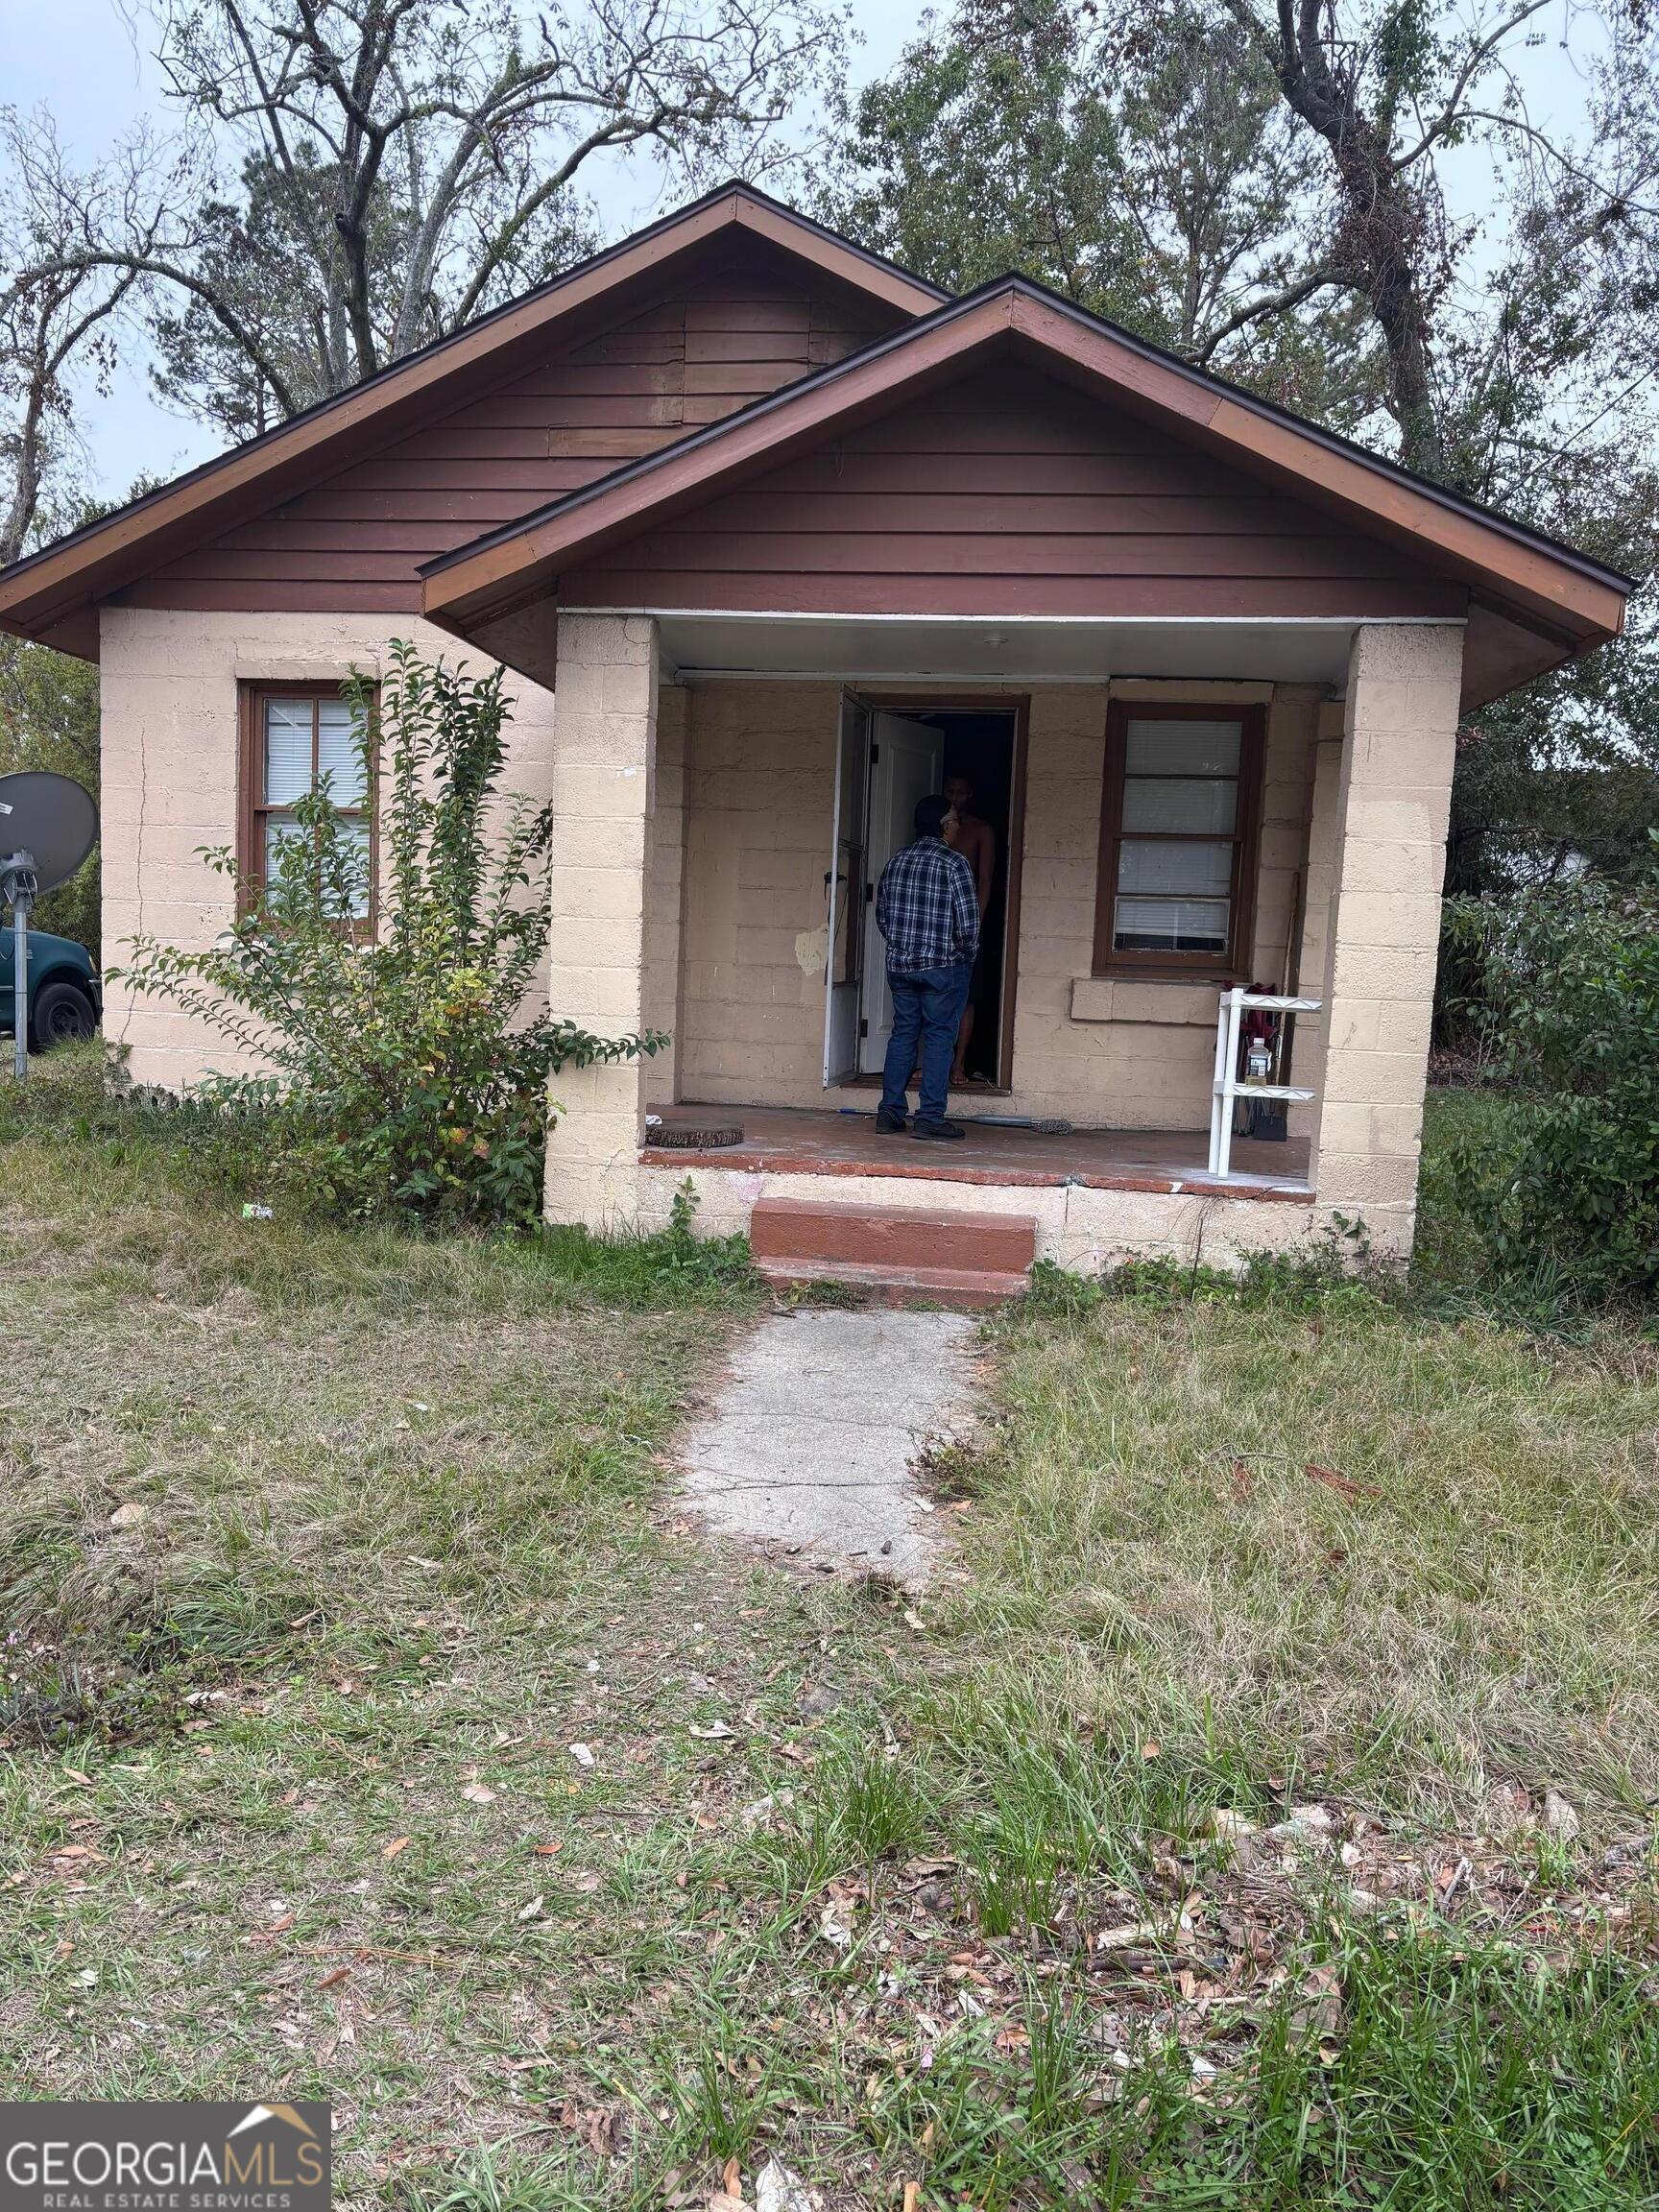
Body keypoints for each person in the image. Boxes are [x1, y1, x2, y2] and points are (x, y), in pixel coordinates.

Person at [874, 792, 979, 1140]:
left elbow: (883, 918)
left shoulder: (896, 861)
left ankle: (889, 1113)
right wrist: (966, 954)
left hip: (902, 965)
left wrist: (904, 945)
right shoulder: (954, 863)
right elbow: (967, 924)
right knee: (938, 1038)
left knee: (903, 1034)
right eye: (955, 821)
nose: (957, 826)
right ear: (945, 826)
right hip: (942, 966)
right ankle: (930, 1117)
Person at [942, 772, 996, 1087]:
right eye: (949, 791)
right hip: (935, 922)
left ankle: (959, 1063)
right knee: (935, 992)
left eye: (960, 793)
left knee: (966, 995)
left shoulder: (980, 830)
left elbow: (985, 879)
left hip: (967, 922)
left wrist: (974, 922)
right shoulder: (937, 830)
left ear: (970, 795)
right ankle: (934, 1061)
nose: (954, 799)